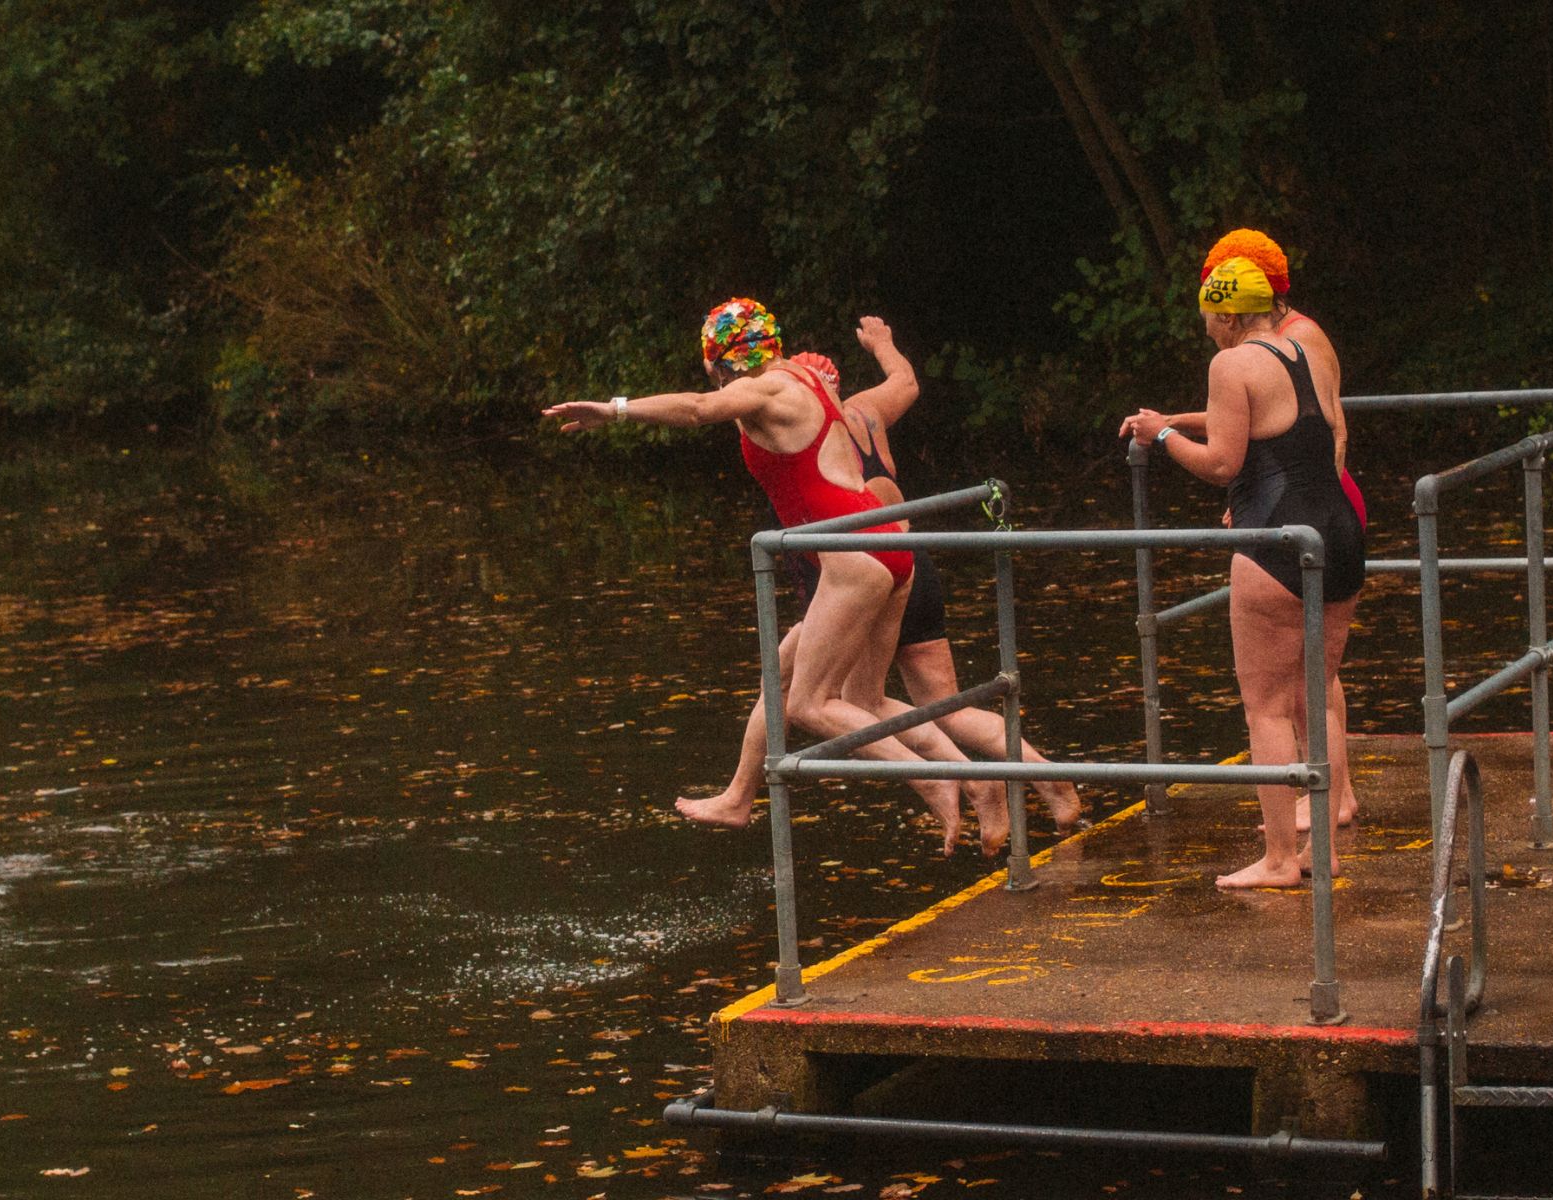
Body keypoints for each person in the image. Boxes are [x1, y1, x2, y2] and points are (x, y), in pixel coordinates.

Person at [544, 298, 1006, 855]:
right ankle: (740, 797)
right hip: (884, 541)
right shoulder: (805, 377)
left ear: (719, 360)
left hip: (852, 555)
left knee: (810, 704)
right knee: (810, 681)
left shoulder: (766, 390)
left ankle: (944, 781)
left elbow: (697, 409)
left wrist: (614, 409)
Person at [676, 317, 1083, 835]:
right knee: (938, 706)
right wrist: (884, 345)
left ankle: (965, 784)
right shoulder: (864, 412)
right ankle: (1046, 779)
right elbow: (907, 382)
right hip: (910, 563)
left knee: (800, 690)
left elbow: (719, 410)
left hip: (853, 569)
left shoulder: (790, 422)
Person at [1117, 256, 1364, 889]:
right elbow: (1288, 427)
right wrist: (1173, 420)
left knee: (1268, 710)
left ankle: (1280, 859)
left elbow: (1223, 463)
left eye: (1206, 316)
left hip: (1275, 538)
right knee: (1317, 695)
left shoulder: (1230, 365)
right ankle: (1324, 847)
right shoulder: (1303, 349)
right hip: (1340, 531)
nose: (1204, 327)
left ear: (1227, 315)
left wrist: (1162, 438)